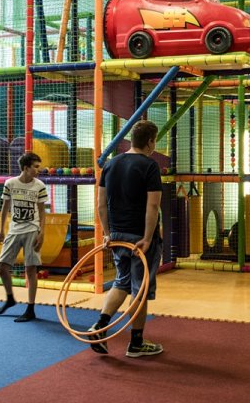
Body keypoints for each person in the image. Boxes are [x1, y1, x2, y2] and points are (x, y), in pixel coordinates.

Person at [89, 120, 164, 358]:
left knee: (121, 282)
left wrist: (108, 234)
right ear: (150, 142)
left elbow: (101, 205)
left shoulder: (111, 164)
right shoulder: (149, 166)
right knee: (139, 290)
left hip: (118, 236)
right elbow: (153, 207)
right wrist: (148, 238)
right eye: (155, 141)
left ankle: (100, 326)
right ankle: (136, 343)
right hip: (140, 238)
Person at [0, 152, 48, 322]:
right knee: (2, 267)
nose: (38, 170)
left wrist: (42, 233)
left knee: (30, 269)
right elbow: (5, 207)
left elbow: (42, 211)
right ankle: (10, 298)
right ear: (26, 168)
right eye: (36, 167)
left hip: (32, 229)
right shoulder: (10, 183)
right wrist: (1, 230)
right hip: (14, 230)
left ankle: (30, 309)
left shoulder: (39, 186)